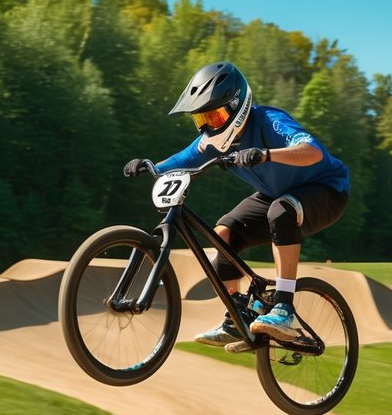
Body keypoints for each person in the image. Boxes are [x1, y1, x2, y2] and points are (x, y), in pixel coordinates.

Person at [124, 61, 350, 347]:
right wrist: (149, 166)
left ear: (237, 106)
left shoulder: (269, 120)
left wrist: (266, 154)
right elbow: (181, 160)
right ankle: (237, 317)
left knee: (282, 211)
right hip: (275, 192)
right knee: (224, 232)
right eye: (200, 120)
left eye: (214, 117)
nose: (207, 126)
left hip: (327, 189)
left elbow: (313, 152)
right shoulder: (211, 142)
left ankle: (285, 308)